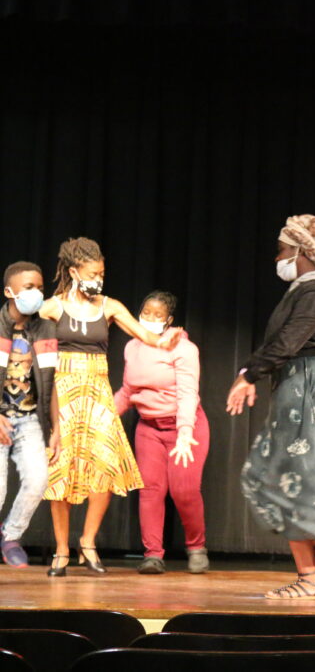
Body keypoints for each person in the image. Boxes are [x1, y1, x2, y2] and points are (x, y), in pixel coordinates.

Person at [227, 214, 315, 600]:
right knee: (285, 472)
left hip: (308, 382)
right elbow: (284, 343)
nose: (277, 257)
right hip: (300, 380)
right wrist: (250, 372)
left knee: (288, 472)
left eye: (282, 250)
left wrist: (249, 375)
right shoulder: (308, 288)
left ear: (301, 250)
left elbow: (291, 339)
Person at [39, 237, 182, 577]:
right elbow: (35, 351)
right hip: (65, 391)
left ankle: (88, 543)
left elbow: (149, 337)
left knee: (102, 468)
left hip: (98, 392)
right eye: (92, 272)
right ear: (74, 272)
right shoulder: (52, 308)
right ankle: (61, 549)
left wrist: (167, 340)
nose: (98, 279)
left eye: (102, 272)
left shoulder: (110, 307)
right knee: (61, 469)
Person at [114, 291, 210, 574]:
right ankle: (153, 554)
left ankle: (197, 547)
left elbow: (187, 393)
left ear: (168, 320)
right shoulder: (133, 347)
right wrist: (104, 416)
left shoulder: (183, 348)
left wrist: (183, 433)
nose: (151, 320)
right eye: (146, 313)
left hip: (185, 427)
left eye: (158, 316)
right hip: (149, 428)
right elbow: (128, 392)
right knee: (151, 490)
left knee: (184, 490)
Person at [0, 262, 56, 568]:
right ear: (9, 292)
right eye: (28, 288)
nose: (36, 293)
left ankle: (10, 535)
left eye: (39, 287)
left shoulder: (45, 328)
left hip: (30, 418)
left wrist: (56, 427)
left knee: (38, 481)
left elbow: (51, 379)